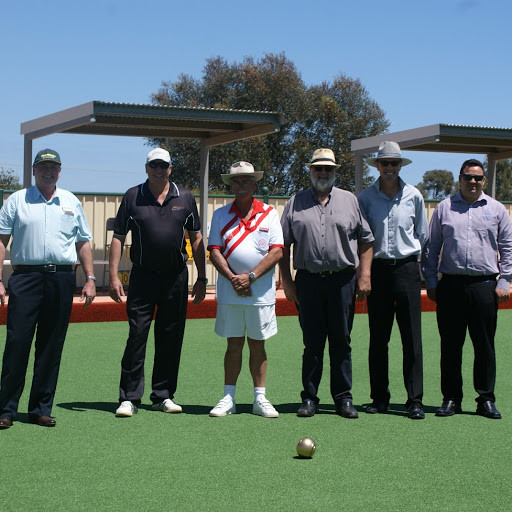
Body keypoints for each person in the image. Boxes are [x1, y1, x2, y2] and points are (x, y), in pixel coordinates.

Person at [0, 148, 96, 430]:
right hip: (25, 278)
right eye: (43, 166)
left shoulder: (70, 201)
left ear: (60, 171)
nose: (48, 171)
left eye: (53, 167)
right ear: (33, 170)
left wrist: (90, 277)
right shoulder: (17, 200)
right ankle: (6, 409)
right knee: (17, 344)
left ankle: (40, 409)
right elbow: (2, 241)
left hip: (61, 279)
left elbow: (83, 242)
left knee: (51, 346)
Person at [109, 148, 207, 417]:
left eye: (163, 165)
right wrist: (113, 275)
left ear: (170, 168)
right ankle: (129, 397)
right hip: (142, 277)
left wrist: (202, 277)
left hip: (176, 277)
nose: (158, 170)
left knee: (170, 336)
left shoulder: (185, 197)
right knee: (137, 335)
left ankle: (162, 395)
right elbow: (118, 236)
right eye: (154, 165)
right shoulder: (132, 196)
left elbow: (196, 238)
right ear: (146, 167)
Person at [279, 148, 373, 418]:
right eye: (318, 168)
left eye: (328, 169)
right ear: (310, 170)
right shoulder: (295, 202)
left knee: (342, 342)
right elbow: (283, 246)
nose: (323, 173)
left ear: (335, 171)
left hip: (343, 281)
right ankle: (309, 398)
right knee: (312, 343)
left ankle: (343, 398)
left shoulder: (350, 201)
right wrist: (287, 282)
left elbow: (366, 240)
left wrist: (364, 276)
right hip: (308, 282)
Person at [422, 159, 512, 419]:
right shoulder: (444, 208)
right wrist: (431, 281)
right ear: (459, 179)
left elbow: (507, 247)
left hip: (484, 285)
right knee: (451, 346)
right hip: (451, 285)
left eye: (478, 178)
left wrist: (505, 280)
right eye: (467, 177)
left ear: (484, 181)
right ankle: (451, 398)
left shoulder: (496, 210)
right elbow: (432, 248)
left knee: (484, 346)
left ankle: (485, 399)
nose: (473, 182)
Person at [207, 162, 284, 418]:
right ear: (230, 184)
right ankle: (228, 397)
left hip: (260, 292)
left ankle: (260, 399)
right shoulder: (220, 215)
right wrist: (232, 278)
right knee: (233, 344)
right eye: (236, 181)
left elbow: (277, 250)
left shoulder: (270, 214)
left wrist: (250, 277)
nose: (241, 185)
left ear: (254, 184)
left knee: (258, 345)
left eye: (246, 181)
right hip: (230, 292)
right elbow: (214, 250)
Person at [358, 141, 428, 420]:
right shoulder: (365, 198)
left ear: (401, 166)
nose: (389, 167)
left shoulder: (414, 196)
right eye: (384, 163)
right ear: (377, 165)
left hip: (407, 270)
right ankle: (380, 398)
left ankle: (415, 400)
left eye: (394, 163)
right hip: (377, 271)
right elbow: (361, 239)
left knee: (412, 338)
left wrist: (421, 272)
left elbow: (422, 236)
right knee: (379, 338)